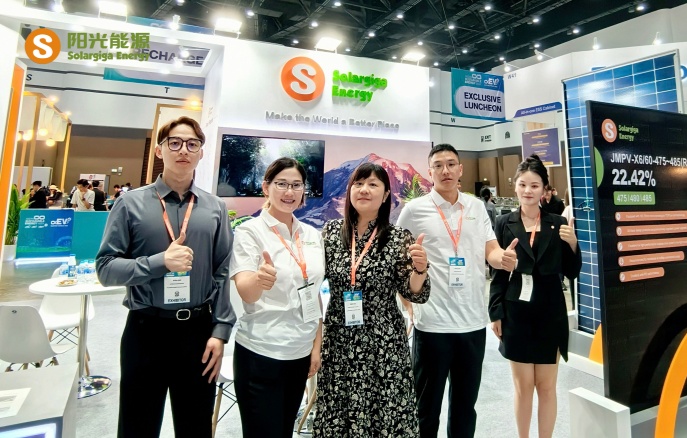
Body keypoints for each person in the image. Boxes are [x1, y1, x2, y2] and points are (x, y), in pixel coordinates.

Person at [96, 116, 235, 438]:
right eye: (175, 142)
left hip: (198, 332)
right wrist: (159, 262)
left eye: (192, 144)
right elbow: (105, 268)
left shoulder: (215, 208)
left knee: (195, 426)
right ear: (159, 150)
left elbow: (222, 272)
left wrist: (220, 331)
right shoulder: (130, 204)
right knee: (137, 426)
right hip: (146, 330)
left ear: (201, 153)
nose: (183, 150)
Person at [397, 144, 517, 438]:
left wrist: (503, 258)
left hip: (472, 324)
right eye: (438, 165)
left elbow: (490, 250)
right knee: (426, 409)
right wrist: (407, 301)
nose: (445, 170)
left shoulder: (476, 207)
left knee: (465, 409)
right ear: (430, 172)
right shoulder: (414, 210)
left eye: (451, 164)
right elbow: (399, 260)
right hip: (432, 325)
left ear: (461, 169)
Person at [313, 163, 431, 436]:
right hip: (340, 339)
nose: (364, 190)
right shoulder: (331, 233)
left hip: (384, 342)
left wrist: (420, 270)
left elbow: (413, 292)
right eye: (358, 184)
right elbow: (312, 282)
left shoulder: (398, 237)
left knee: (385, 412)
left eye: (373, 184)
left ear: (386, 194)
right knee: (340, 412)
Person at [230, 157, 325, 438]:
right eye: (281, 184)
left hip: (300, 353)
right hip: (262, 352)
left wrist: (316, 345)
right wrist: (259, 280)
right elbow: (246, 291)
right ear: (266, 187)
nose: (289, 192)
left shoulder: (311, 234)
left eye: (296, 185)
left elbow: (313, 293)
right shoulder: (250, 232)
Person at [488, 155, 581, 438]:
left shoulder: (557, 223)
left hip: (550, 312)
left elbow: (572, 272)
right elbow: (498, 273)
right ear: (515, 186)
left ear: (544, 189)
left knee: (547, 387)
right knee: (523, 387)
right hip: (516, 313)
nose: (528, 190)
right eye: (523, 184)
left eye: (534, 185)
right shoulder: (503, 222)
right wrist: (495, 312)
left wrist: (573, 244)